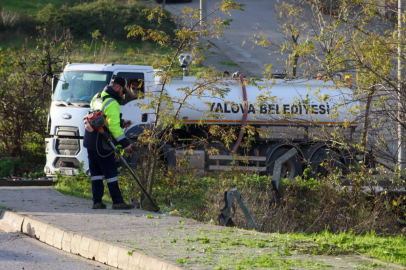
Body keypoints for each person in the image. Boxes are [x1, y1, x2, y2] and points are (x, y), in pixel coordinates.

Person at [83, 76, 135, 210]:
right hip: (103, 142)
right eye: (123, 91)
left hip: (91, 140)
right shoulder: (113, 103)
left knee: (96, 173)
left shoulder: (98, 96)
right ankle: (117, 202)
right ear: (118, 87)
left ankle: (97, 201)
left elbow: (101, 116)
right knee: (110, 172)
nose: (123, 94)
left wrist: (121, 121)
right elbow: (113, 127)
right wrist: (125, 143)